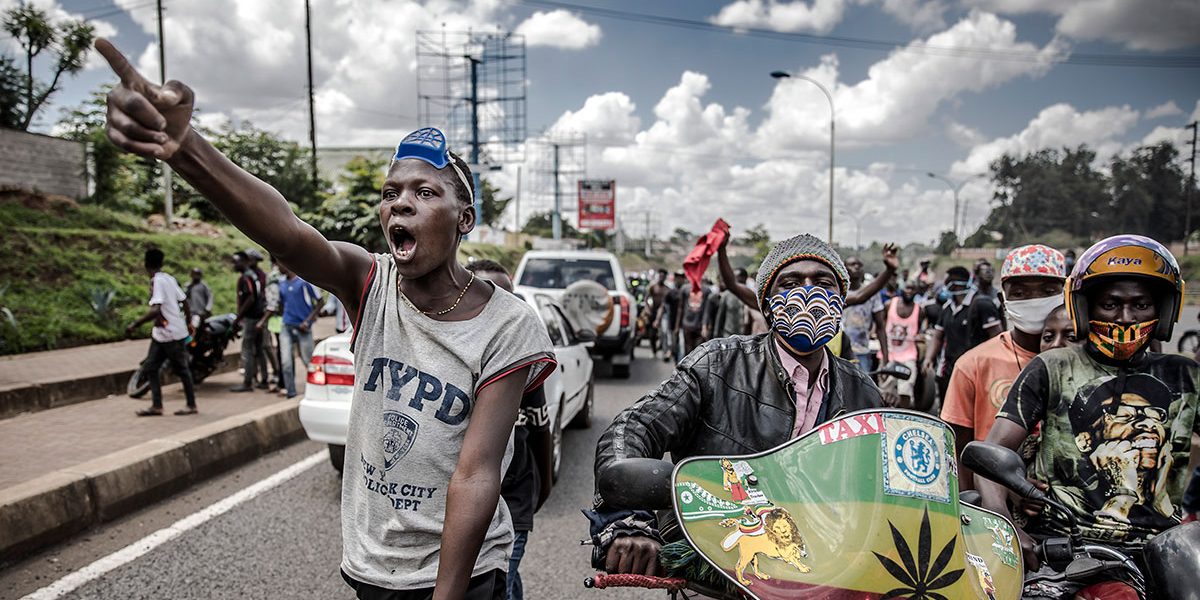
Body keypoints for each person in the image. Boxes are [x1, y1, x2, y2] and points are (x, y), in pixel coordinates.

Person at [98, 40, 556, 599]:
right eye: (391, 193)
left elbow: (477, 472)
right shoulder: (370, 281)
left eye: (424, 191)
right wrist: (185, 147)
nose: (400, 203)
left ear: (464, 220)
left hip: (462, 574)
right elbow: (287, 233)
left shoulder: (508, 323)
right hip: (370, 566)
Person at [589, 233, 885, 576]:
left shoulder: (862, 389)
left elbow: (880, 485)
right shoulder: (716, 364)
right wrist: (629, 521)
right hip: (721, 554)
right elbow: (634, 428)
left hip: (827, 565)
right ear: (767, 304)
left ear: (841, 299)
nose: (808, 292)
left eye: (823, 282)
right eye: (790, 283)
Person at [978, 235, 1196, 599]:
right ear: (1085, 307)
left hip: (1167, 555)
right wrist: (1006, 525)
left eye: (1140, 304)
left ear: (1163, 308)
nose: (1126, 318)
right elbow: (992, 453)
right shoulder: (1052, 367)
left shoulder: (1187, 377)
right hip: (1066, 552)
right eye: (1110, 304)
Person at [939, 245, 1067, 490]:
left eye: (1048, 291)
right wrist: (971, 511)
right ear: (1003, 299)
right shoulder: (973, 364)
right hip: (994, 507)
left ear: (1065, 293)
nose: (1035, 301)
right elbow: (959, 453)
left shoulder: (1085, 360)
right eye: (1020, 292)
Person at [464, 259, 553, 600]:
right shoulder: (454, 355)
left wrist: (543, 488)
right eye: (489, 295)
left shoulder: (521, 362)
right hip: (465, 505)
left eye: (508, 299)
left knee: (503, 573)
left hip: (512, 502)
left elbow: (540, 430)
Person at [126, 248, 197, 416]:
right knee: (151, 367)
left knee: (182, 369)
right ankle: (157, 406)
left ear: (145, 264)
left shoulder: (157, 281)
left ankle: (191, 405)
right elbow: (184, 301)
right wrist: (187, 322)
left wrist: (135, 324)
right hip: (163, 334)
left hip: (170, 333)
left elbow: (156, 309)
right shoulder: (169, 278)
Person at [922, 266, 972, 411]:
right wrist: (928, 358)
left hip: (972, 369)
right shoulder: (947, 308)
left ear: (955, 283)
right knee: (946, 407)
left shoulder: (978, 304)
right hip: (948, 367)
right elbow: (938, 336)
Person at [276, 258, 322, 399]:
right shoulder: (281, 283)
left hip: (303, 327)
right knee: (286, 362)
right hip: (287, 326)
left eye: (279, 263)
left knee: (308, 360)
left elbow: (320, 302)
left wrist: (308, 321)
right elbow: (282, 304)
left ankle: (317, 391)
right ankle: (291, 392)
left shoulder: (304, 282)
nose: (277, 266)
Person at [842, 256, 889, 375]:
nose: (856, 267)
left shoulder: (873, 295)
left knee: (863, 390)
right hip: (838, 353)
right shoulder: (839, 293)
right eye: (852, 264)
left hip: (862, 351)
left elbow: (880, 326)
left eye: (859, 264)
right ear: (844, 268)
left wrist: (885, 356)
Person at [879, 279, 922, 409]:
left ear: (916, 292)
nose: (909, 291)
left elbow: (920, 330)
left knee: (906, 389)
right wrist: (885, 357)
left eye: (913, 289)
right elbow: (880, 325)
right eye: (907, 288)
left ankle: (903, 416)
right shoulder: (889, 305)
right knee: (884, 390)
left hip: (908, 355)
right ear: (902, 289)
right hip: (889, 354)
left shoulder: (919, 310)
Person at [229, 250, 264, 393]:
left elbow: (250, 297)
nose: (234, 264)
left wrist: (238, 317)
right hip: (257, 316)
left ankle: (248, 382)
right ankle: (259, 378)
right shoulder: (252, 275)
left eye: (236, 261)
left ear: (244, 262)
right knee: (257, 349)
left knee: (247, 349)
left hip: (251, 318)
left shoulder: (247, 277)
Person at [257, 257, 284, 393]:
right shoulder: (280, 275)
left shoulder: (274, 276)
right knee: (279, 349)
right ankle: (281, 380)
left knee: (280, 350)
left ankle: (282, 381)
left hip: (276, 318)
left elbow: (273, 302)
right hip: (277, 318)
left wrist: (263, 320)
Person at [967, 259, 1005, 347]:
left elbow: (1003, 317)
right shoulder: (972, 295)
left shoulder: (998, 294)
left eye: (991, 271)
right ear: (977, 274)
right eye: (985, 271)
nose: (989, 273)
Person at [711, 268, 748, 339]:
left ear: (745, 279)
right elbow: (720, 317)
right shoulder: (727, 295)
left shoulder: (751, 296)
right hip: (729, 336)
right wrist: (716, 335)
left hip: (747, 337)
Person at [679, 277, 712, 355]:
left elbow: (707, 310)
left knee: (699, 352)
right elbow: (680, 308)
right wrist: (678, 325)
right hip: (687, 325)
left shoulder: (706, 290)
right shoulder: (685, 288)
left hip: (699, 326)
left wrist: (705, 326)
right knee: (688, 350)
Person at [644, 269, 669, 358]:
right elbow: (646, 299)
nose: (661, 278)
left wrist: (658, 319)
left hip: (663, 314)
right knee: (651, 334)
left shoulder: (667, 290)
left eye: (663, 276)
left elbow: (663, 305)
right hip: (653, 312)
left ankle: (665, 352)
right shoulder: (653, 287)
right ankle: (654, 350)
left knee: (664, 333)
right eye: (660, 276)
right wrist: (647, 309)